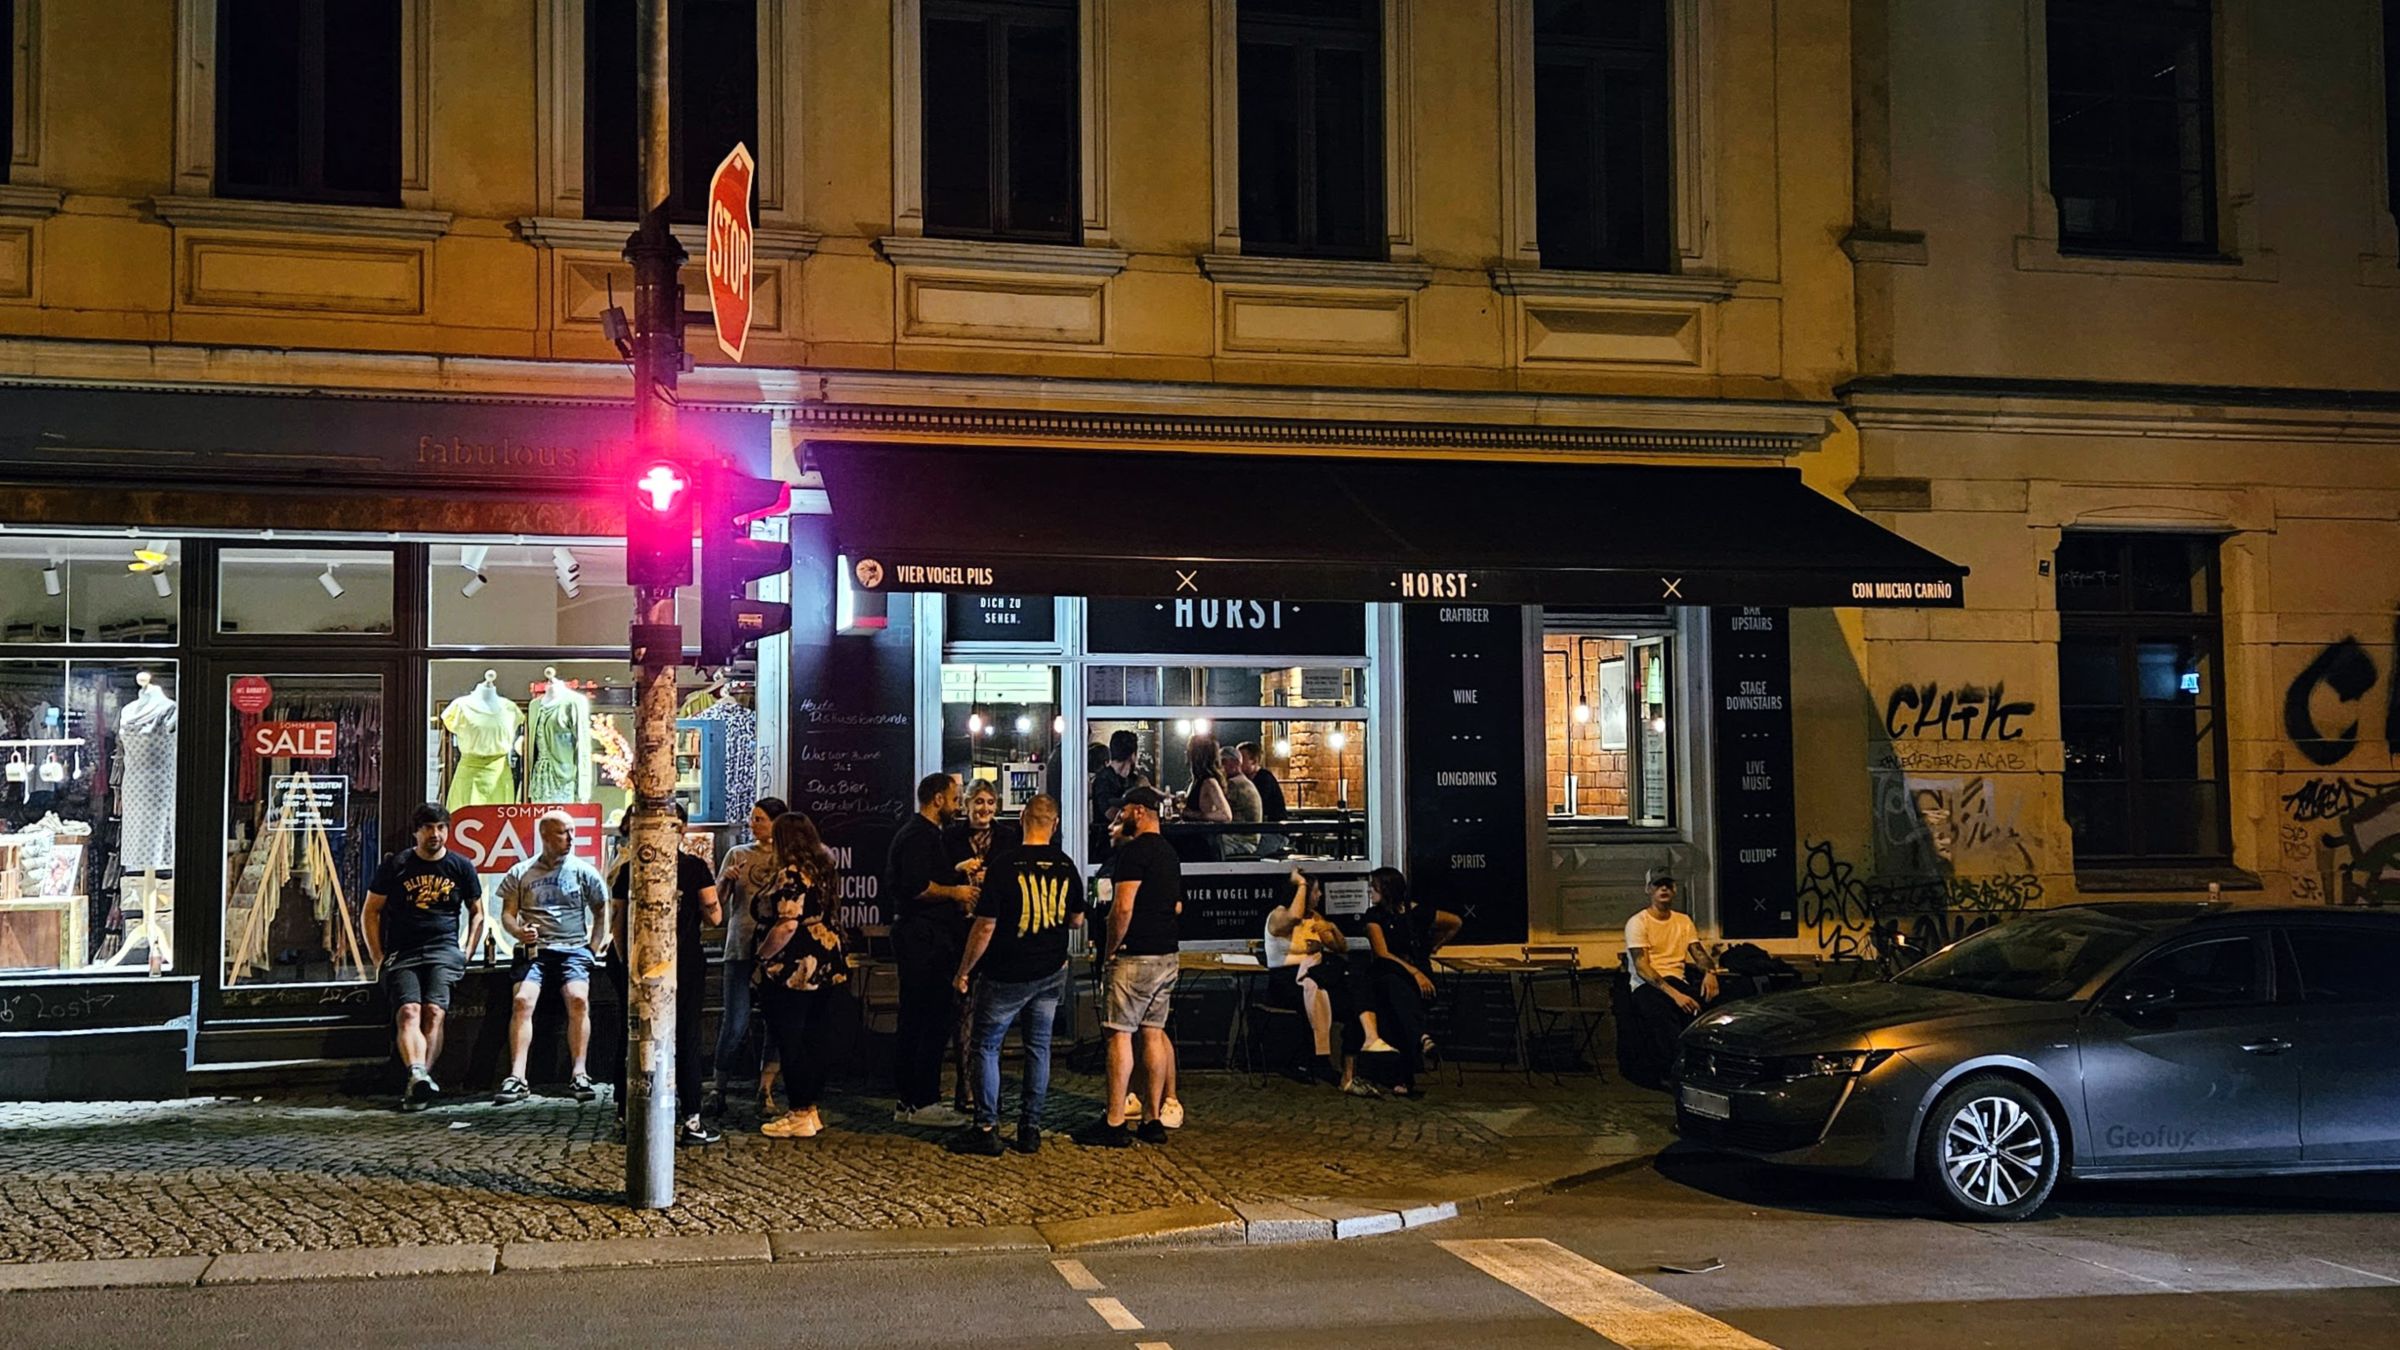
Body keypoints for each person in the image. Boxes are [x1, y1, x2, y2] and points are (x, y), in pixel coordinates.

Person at [948, 794, 1084, 1156]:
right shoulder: (1066, 865)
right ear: (1054, 824)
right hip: (1051, 971)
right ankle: (1030, 1128)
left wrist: (964, 970)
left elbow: (985, 927)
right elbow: (1076, 919)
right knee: (1038, 1047)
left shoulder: (1005, 866)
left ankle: (987, 1127)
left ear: (1023, 818)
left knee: (987, 1046)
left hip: (1006, 972)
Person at [603, 803, 723, 1145]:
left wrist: (628, 966)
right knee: (686, 1036)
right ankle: (691, 1119)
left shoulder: (630, 869)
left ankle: (627, 1114)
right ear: (680, 830)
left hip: (639, 966)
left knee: (635, 1035)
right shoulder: (695, 867)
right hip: (684, 963)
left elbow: (618, 925)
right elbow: (714, 916)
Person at [362, 802, 487, 1112]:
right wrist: (378, 957)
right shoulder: (396, 866)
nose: (436, 834)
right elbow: (370, 912)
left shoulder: (461, 866)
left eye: (442, 827)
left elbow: (477, 912)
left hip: (444, 950)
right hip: (403, 951)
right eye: (429, 827)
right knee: (408, 1011)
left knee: (434, 1012)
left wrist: (467, 952)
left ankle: (420, 1081)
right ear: (416, 832)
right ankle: (417, 1075)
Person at [1076, 786, 1183, 1148]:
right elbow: (1177, 907)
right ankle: (1152, 1119)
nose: (1119, 817)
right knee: (1153, 1033)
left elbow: (1122, 909)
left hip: (1134, 955)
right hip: (1166, 954)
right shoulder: (1169, 853)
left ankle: (1115, 1120)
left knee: (1119, 1035)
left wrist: (1110, 949)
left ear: (1139, 811)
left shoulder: (1134, 854)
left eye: (1124, 811)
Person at [493, 809, 608, 1106]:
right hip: (536, 951)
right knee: (522, 1001)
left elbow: (601, 910)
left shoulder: (584, 871)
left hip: (572, 949)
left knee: (578, 999)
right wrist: (519, 932)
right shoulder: (521, 872)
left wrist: (592, 948)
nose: (570, 838)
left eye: (572, 831)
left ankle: (580, 1071)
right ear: (544, 836)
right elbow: (507, 913)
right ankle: (517, 1076)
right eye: (562, 832)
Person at [753, 812, 851, 1138]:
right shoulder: (822, 871)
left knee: (790, 1040)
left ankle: (798, 1111)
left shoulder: (791, 875)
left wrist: (762, 956)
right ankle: (810, 1109)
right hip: (825, 962)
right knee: (814, 1037)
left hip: (793, 968)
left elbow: (787, 924)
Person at [887, 773, 976, 1127]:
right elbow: (917, 886)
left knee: (920, 1017)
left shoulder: (923, 836)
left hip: (926, 937)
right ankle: (921, 1100)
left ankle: (911, 1099)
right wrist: (957, 892)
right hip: (923, 939)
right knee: (928, 1017)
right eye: (955, 799)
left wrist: (954, 871)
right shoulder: (918, 836)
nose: (958, 806)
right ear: (938, 799)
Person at [707, 796, 789, 1118]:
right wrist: (726, 879)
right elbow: (719, 902)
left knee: (776, 1021)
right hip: (741, 946)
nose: (753, 824)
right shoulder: (737, 854)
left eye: (760, 819)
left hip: (778, 950)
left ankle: (765, 1088)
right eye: (752, 818)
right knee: (735, 1020)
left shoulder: (789, 859)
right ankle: (718, 1087)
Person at [942, 778, 1020, 1113]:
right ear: (967, 805)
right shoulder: (951, 838)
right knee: (963, 1014)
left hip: (996, 934)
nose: (984, 809)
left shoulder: (1008, 837)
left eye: (990, 802)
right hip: (960, 932)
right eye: (978, 802)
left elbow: (1017, 876)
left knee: (993, 1015)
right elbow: (938, 875)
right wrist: (958, 870)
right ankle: (967, 1089)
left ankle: (990, 1090)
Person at [1264, 868, 1373, 1094]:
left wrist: (1330, 931)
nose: (1319, 896)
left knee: (1356, 1000)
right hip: (1288, 978)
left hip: (1319, 974)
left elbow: (1340, 947)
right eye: (1315, 891)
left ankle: (1349, 1073)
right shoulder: (1279, 915)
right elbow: (1293, 917)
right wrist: (1301, 882)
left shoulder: (1315, 918)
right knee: (1322, 996)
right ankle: (1311, 1059)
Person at [1356, 867, 1461, 1100]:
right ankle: (1421, 1040)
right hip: (1390, 976)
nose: (1370, 891)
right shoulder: (1374, 917)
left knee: (1400, 1005)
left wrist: (1434, 945)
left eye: (1374, 887)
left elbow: (1454, 922)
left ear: (1387, 890)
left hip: (1415, 980)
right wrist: (1414, 972)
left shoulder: (1419, 913)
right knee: (1396, 993)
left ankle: (1404, 1074)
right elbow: (1383, 953)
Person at [1624, 867, 1718, 1086]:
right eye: (1657, 885)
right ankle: (1672, 1072)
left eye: (1667, 884)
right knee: (1662, 1016)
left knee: (1707, 1010)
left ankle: (1704, 1069)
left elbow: (1698, 952)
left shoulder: (1683, 921)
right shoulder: (1638, 922)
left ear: (1674, 889)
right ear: (1649, 890)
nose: (1663, 889)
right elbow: (1642, 967)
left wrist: (1710, 973)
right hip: (1648, 985)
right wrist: (1675, 995)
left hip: (1677, 980)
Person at [1089, 730, 1138, 857]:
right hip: (1106, 847)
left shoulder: (1132, 779)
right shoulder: (1104, 779)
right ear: (1132, 755)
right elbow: (1110, 813)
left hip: (1122, 846)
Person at [1220, 746, 1262, 857]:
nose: (1220, 766)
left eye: (1223, 761)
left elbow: (1220, 811)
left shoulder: (1234, 784)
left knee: (1208, 845)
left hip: (1241, 840)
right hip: (1248, 838)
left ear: (1235, 762)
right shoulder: (1244, 782)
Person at [1239, 742, 1287, 823]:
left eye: (1241, 759)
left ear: (1254, 761)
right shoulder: (1245, 779)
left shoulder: (1265, 778)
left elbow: (1258, 805)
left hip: (1272, 828)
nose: (1238, 762)